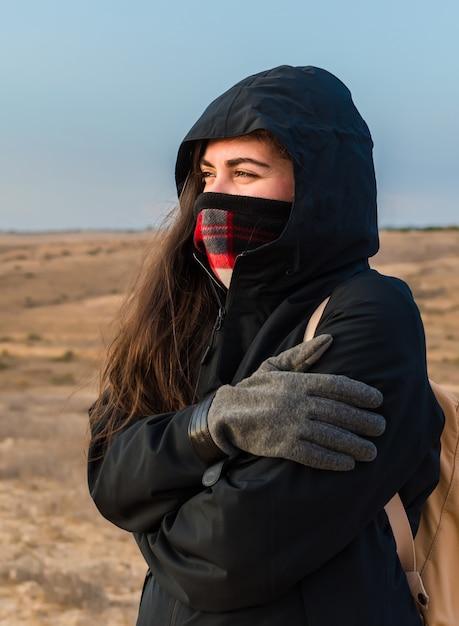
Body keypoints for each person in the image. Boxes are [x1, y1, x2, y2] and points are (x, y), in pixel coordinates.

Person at [88, 65, 444, 625]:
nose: (215, 196)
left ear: (317, 186)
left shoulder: (370, 315)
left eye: (246, 173)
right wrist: (211, 424)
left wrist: (153, 516)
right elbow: (110, 476)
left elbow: (233, 553)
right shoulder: (185, 314)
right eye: (207, 173)